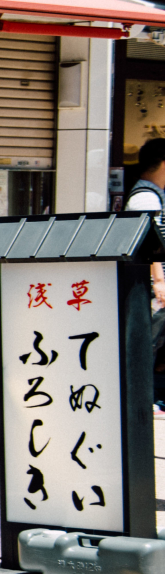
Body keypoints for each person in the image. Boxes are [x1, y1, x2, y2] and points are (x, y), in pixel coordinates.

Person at [124, 138, 165, 407]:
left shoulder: (153, 194)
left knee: (154, 344)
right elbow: (146, 240)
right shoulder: (145, 197)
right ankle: (140, 398)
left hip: (157, 287)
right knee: (146, 343)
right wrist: (160, 281)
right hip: (152, 288)